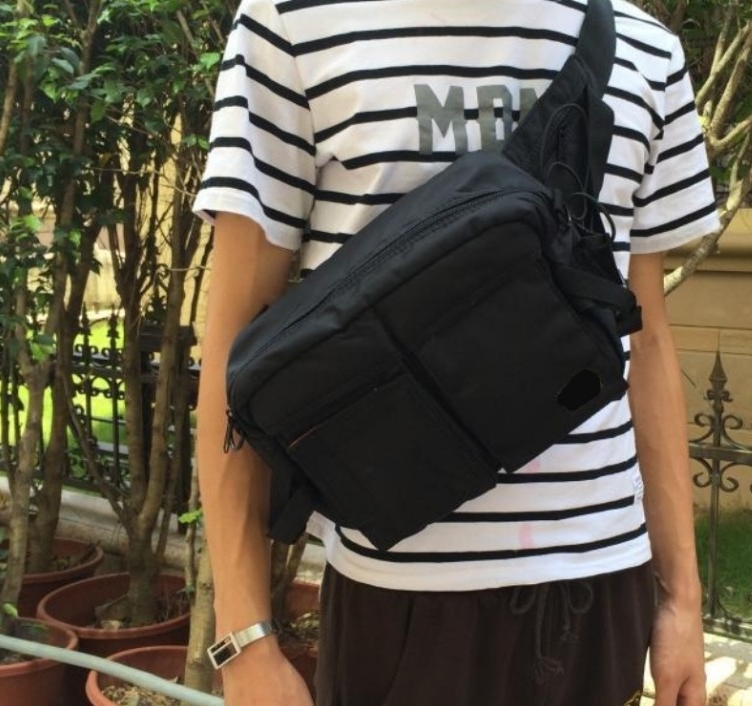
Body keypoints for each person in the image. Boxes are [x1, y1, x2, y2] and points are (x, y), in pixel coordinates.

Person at [194, 0, 719, 704]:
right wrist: (244, 641)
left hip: (602, 580)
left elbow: (646, 339)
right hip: (399, 596)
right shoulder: (293, 22)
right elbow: (232, 349)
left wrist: (682, 596)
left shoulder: (644, 49)